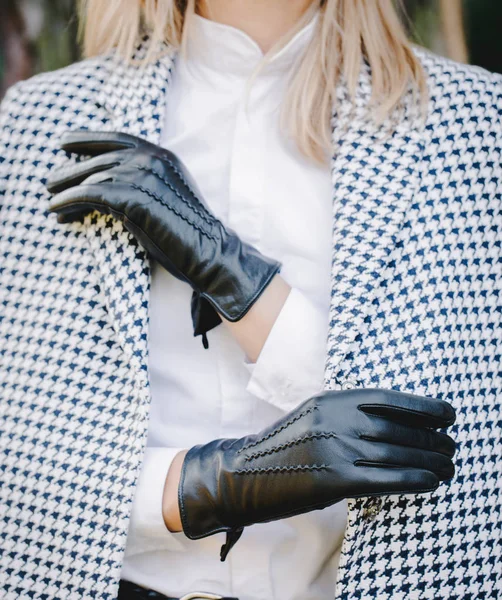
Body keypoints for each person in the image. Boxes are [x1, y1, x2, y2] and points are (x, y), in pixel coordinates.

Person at [0, 1, 499, 599]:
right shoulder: (41, 121)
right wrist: (213, 483)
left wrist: (227, 266)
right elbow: (22, 455)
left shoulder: (476, 123)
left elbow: (446, 448)